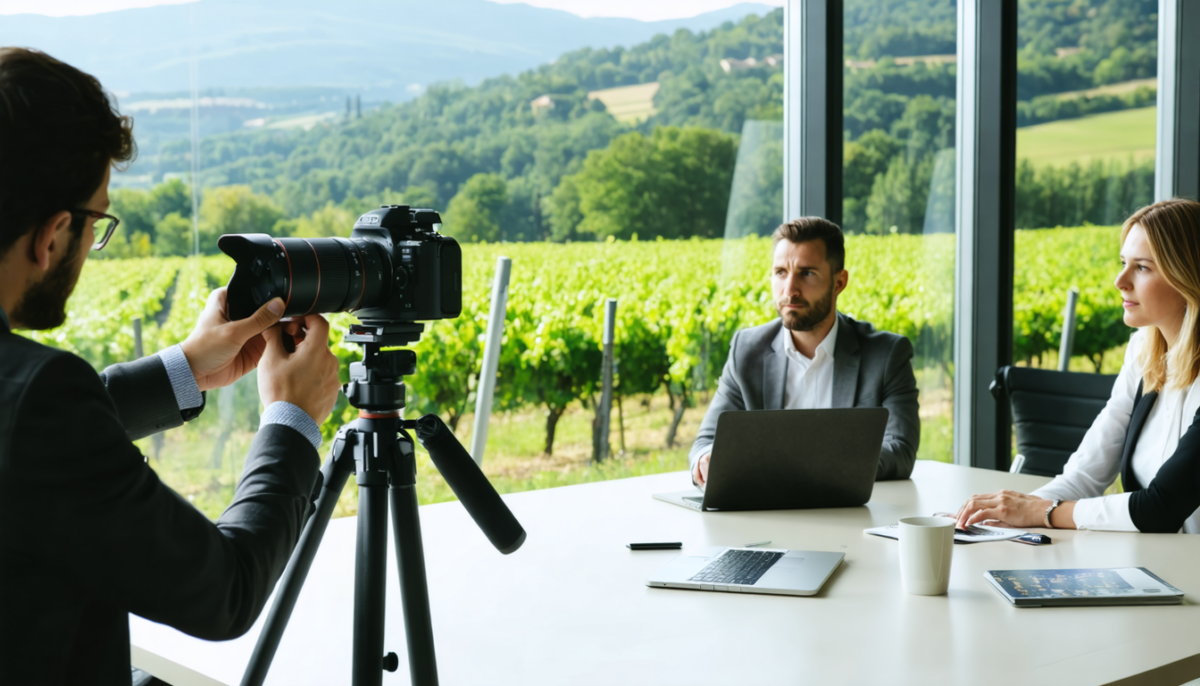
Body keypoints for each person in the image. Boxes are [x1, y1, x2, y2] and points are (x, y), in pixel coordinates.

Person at [0, 48, 343, 685]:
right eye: (96, 221)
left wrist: (183, 368)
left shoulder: (30, 405)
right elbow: (227, 591)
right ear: (51, 236)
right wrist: (293, 420)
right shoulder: (45, 400)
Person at [956, 198, 1200, 534]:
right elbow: (1084, 477)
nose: (1120, 280)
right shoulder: (1142, 350)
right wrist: (1004, 520)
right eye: (1123, 263)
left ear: (1187, 276)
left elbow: (1160, 508)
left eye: (1142, 267)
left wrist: (1041, 512)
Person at [690, 217, 920, 487]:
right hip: (763, 521)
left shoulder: (887, 355)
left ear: (839, 282)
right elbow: (705, 443)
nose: (789, 290)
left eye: (807, 273)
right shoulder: (746, 350)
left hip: (850, 518)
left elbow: (900, 451)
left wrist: (804, 468)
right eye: (780, 273)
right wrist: (705, 459)